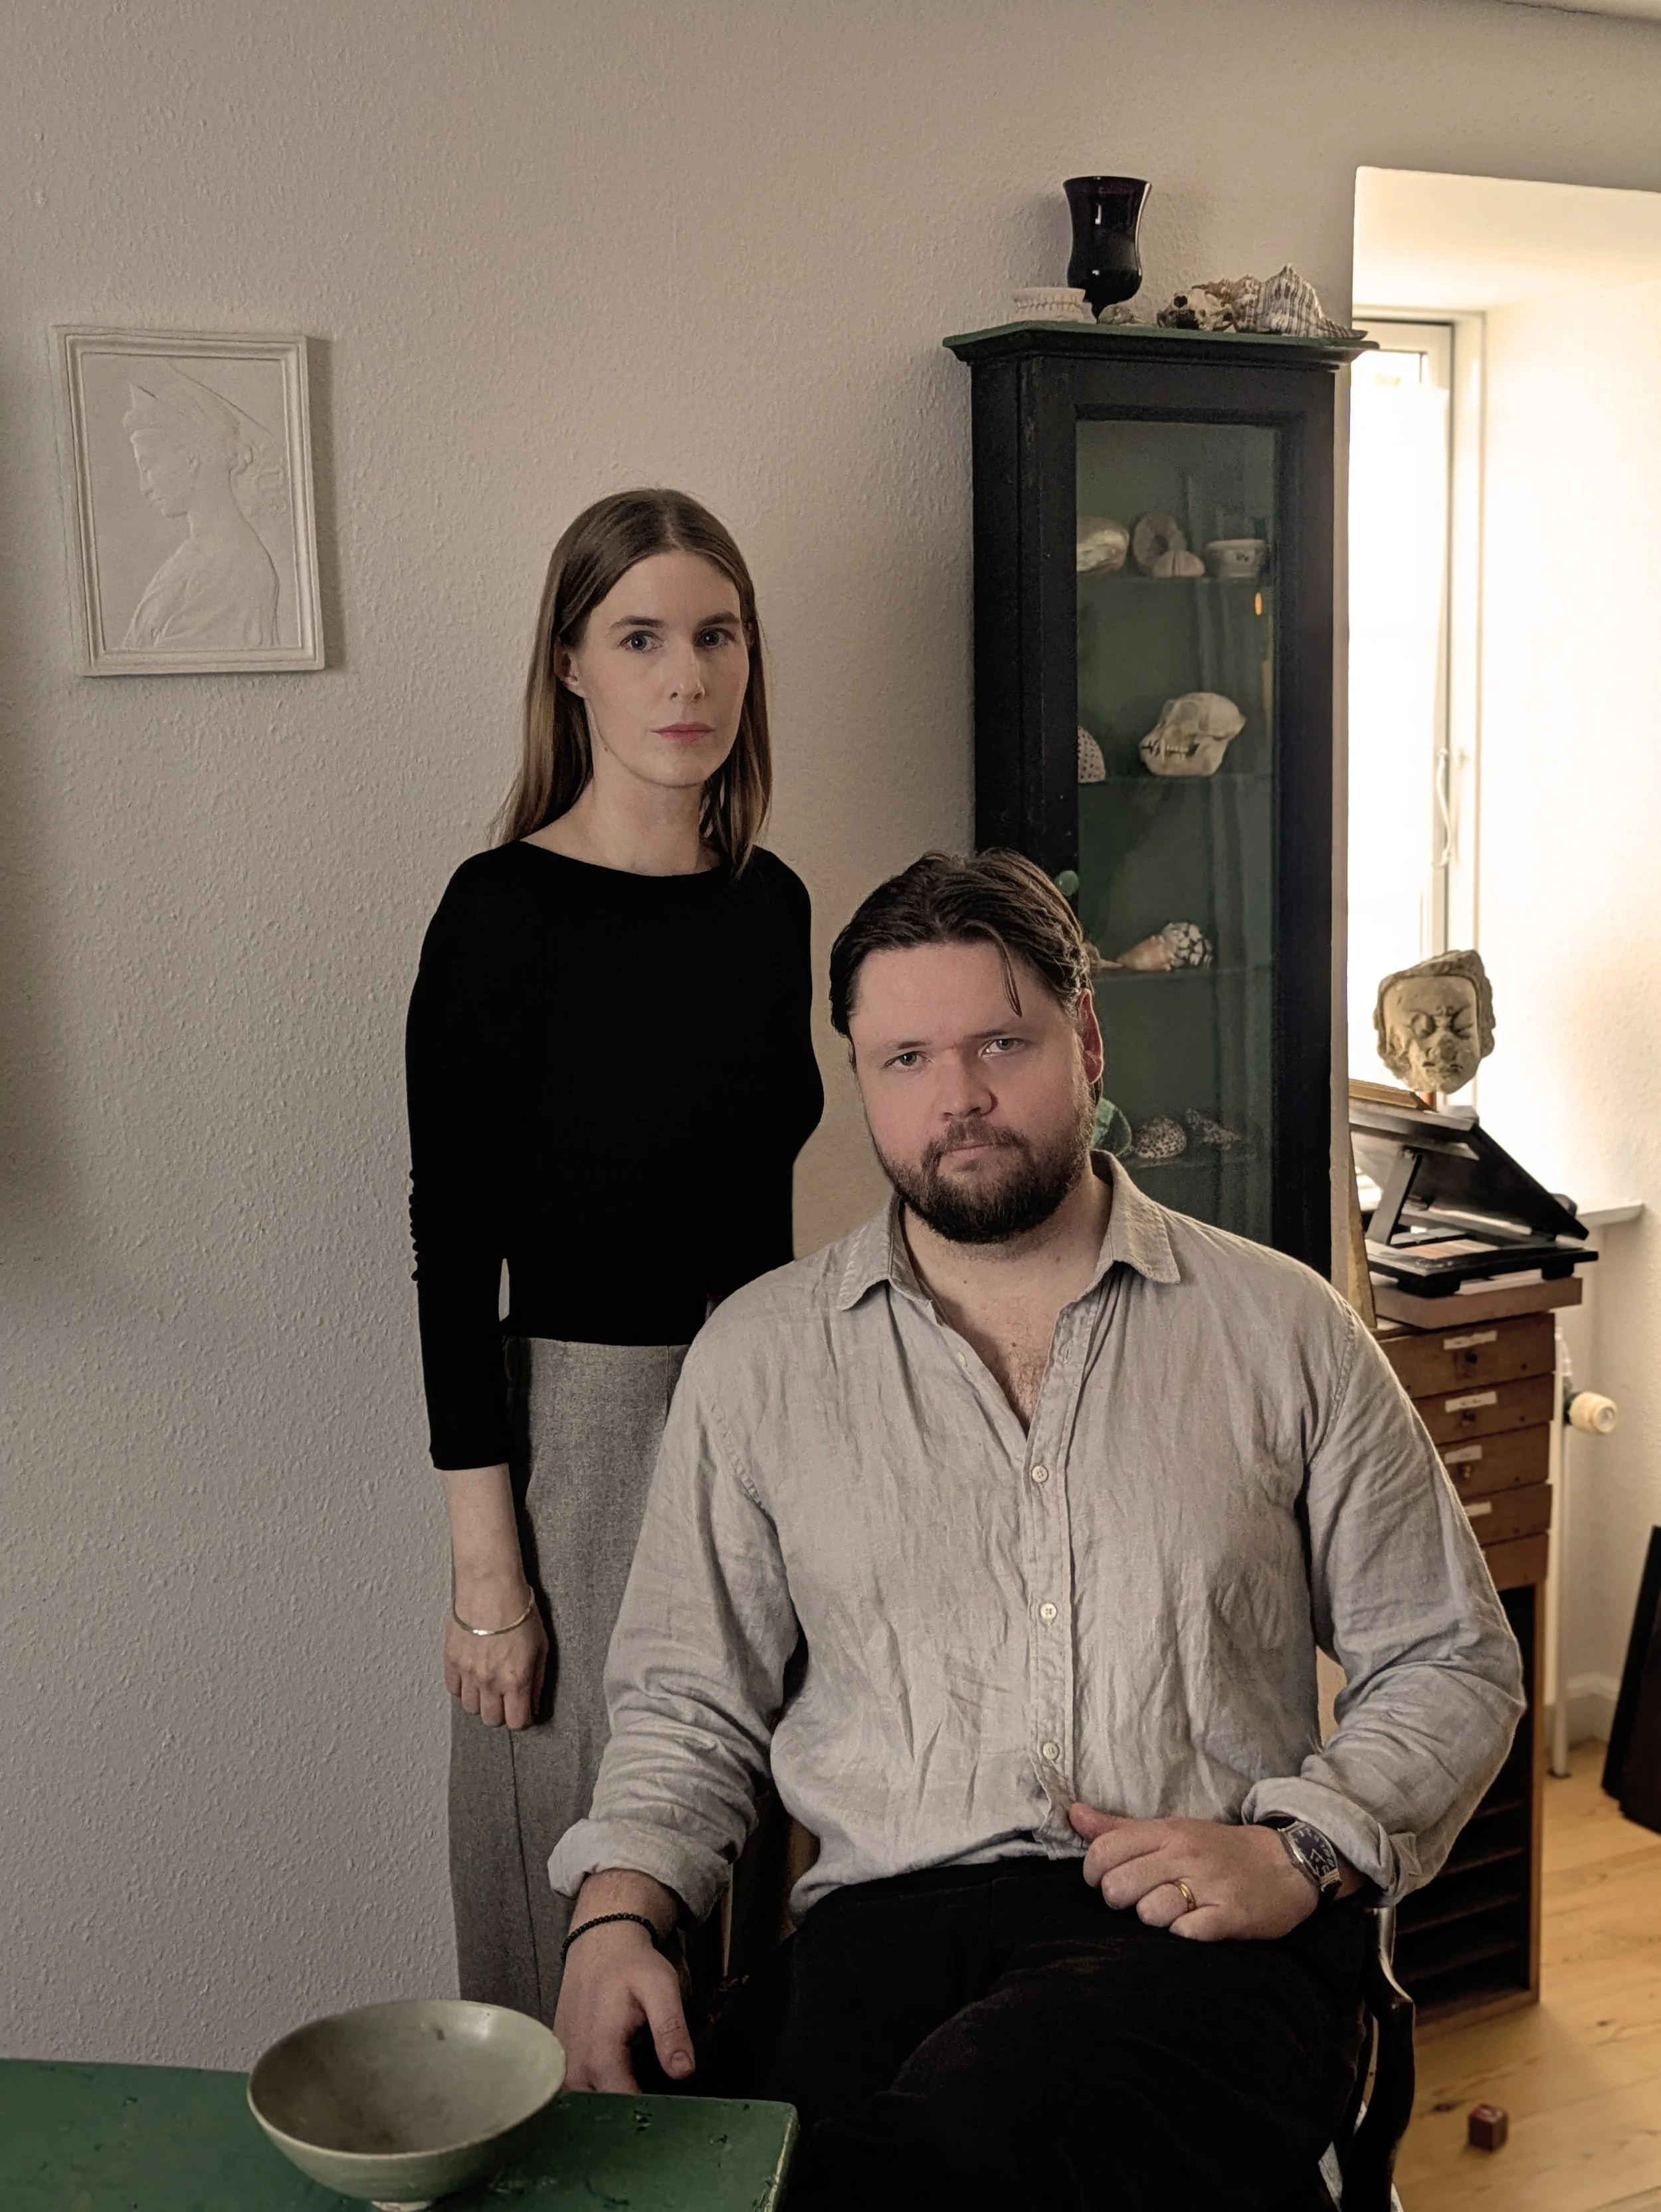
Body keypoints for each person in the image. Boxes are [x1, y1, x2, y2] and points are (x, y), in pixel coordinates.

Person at [547, 849, 1525, 2211]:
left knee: (968, 2129)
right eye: (902, 1058)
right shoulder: (757, 1361)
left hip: (1199, 1931)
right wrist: (615, 1911)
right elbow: (683, 1701)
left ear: (1083, 1038)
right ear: (858, 1075)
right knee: (690, 2147)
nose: (954, 1097)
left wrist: (1302, 1844)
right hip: (877, 1937)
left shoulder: (1282, 1328)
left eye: (997, 1042)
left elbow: (1449, 1657)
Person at [405, 488, 823, 2025]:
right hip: (577, 1454)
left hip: (766, 1425)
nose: (685, 677)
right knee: (581, 1910)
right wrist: (490, 1583)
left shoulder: (768, 906)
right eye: (640, 637)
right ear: (571, 665)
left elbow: (762, 1228)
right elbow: (450, 1257)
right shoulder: (501, 913)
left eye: (715, 635)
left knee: (752, 1893)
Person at [120, 364, 282, 651]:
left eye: (149, 466)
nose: (145, 487)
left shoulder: (234, 569)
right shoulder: (192, 557)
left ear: (190, 459)